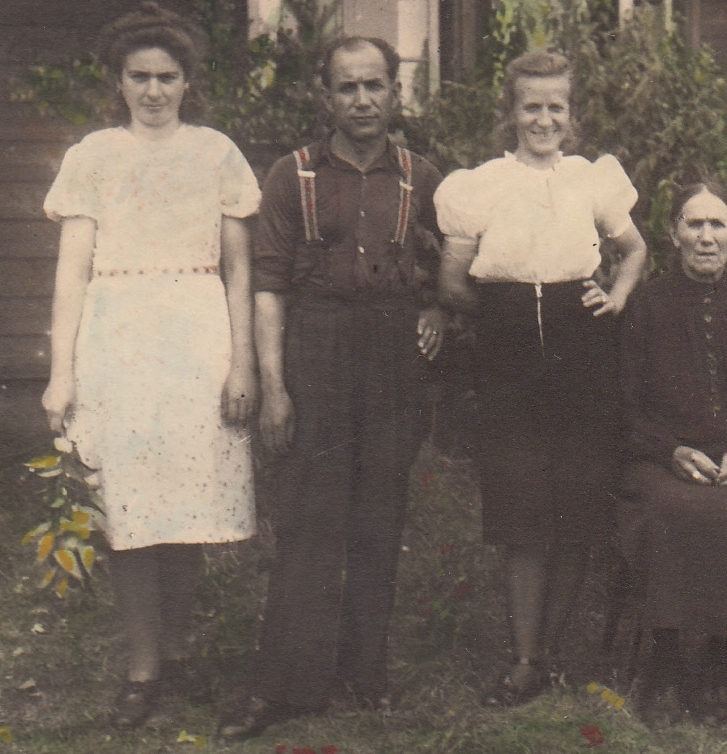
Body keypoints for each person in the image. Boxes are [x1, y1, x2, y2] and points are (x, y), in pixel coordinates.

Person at [216, 36, 446, 739]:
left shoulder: (423, 177)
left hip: (393, 359)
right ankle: (286, 684)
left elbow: (450, 268)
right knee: (310, 522)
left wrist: (438, 310)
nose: (363, 100)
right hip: (317, 351)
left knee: (380, 517)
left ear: (396, 93)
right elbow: (267, 287)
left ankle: (363, 671)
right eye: (348, 87)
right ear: (326, 97)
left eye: (375, 86)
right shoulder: (293, 177)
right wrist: (276, 387)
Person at [41, 2, 260, 729]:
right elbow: (71, 274)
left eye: (167, 77)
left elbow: (238, 270)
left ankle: (179, 649)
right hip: (118, 340)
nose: (154, 90)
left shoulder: (216, 153)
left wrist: (242, 363)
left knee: (185, 504)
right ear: (119, 81)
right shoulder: (94, 156)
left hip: (197, 338)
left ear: (188, 81)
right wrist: (62, 373)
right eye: (140, 77)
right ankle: (142, 666)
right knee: (130, 506)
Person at [435, 50, 647, 705]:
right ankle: (524, 660)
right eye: (532, 106)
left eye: (557, 106)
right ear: (511, 112)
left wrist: (615, 297)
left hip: (583, 356)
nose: (544, 119)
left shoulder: (590, 179)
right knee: (522, 512)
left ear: (571, 113)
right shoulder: (480, 185)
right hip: (508, 363)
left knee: (578, 508)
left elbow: (635, 249)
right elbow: (451, 280)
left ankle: (552, 653)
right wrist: (504, 323)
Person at [618, 182, 727, 726]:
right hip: (663, 460)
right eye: (694, 224)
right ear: (673, 233)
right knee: (668, 509)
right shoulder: (646, 305)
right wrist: (670, 450)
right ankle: (666, 654)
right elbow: (622, 404)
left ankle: (726, 657)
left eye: (718, 224)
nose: (706, 236)